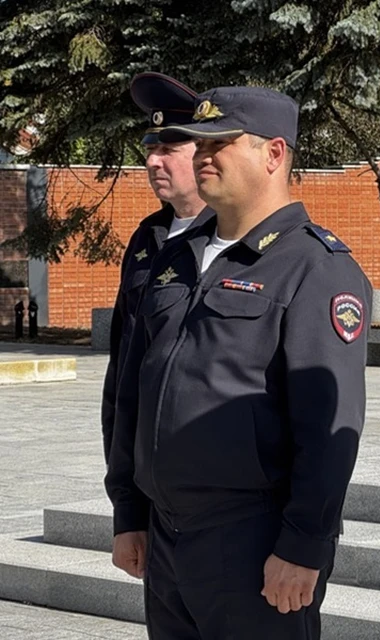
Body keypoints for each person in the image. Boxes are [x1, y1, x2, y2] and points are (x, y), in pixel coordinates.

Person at [105, 84, 372, 639]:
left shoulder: (314, 267)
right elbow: (132, 389)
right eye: (197, 143)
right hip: (168, 536)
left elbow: (330, 428)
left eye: (219, 143)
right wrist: (129, 510)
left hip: (253, 540)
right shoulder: (176, 256)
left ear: (274, 154)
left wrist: (303, 545)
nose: (202, 155)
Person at [101, 72, 213, 462]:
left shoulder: (230, 237)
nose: (152, 161)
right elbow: (121, 364)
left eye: (169, 149)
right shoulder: (147, 237)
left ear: (204, 154)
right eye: (150, 148)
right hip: (142, 463)